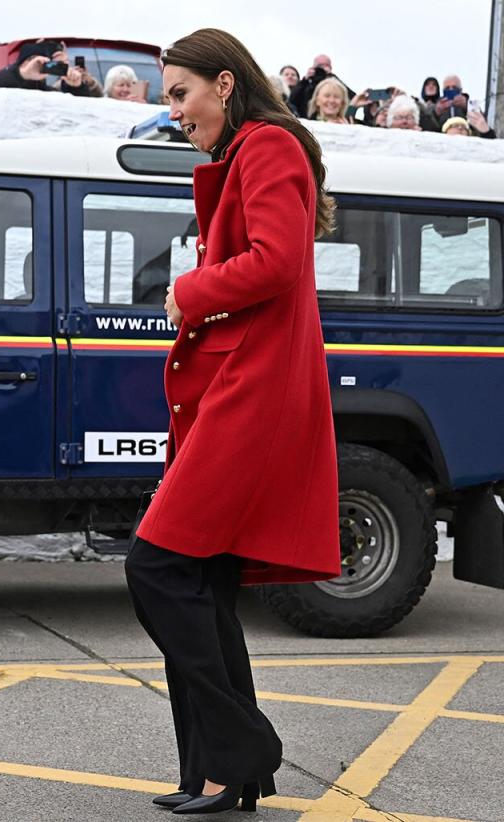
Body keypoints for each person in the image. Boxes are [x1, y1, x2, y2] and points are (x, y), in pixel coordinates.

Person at [126, 27, 340, 816]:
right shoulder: (244, 154)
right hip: (233, 390)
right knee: (202, 583)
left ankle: (243, 749)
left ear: (224, 83)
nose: (173, 111)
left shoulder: (268, 146)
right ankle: (220, 775)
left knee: (155, 567)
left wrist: (193, 288)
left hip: (252, 394)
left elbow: (279, 261)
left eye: (180, 94)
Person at [0, 40, 96, 96]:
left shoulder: (51, 94)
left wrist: (77, 87)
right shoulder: (3, 86)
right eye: (30, 59)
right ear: (19, 64)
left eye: (41, 60)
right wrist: (22, 74)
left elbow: (82, 112)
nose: (36, 63)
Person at [288, 54, 353, 119]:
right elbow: (291, 99)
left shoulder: (335, 83)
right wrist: (305, 80)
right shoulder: (306, 85)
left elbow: (352, 98)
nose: (331, 100)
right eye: (320, 66)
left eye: (327, 65)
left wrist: (332, 76)